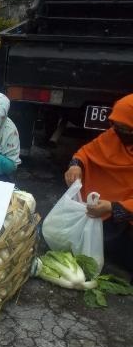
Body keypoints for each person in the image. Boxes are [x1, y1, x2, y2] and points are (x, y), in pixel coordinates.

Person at [64, 94, 133, 272]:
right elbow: (87, 152)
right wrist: (75, 165)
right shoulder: (114, 135)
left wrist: (113, 207)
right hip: (102, 210)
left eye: (126, 129)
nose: (118, 132)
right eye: (116, 126)